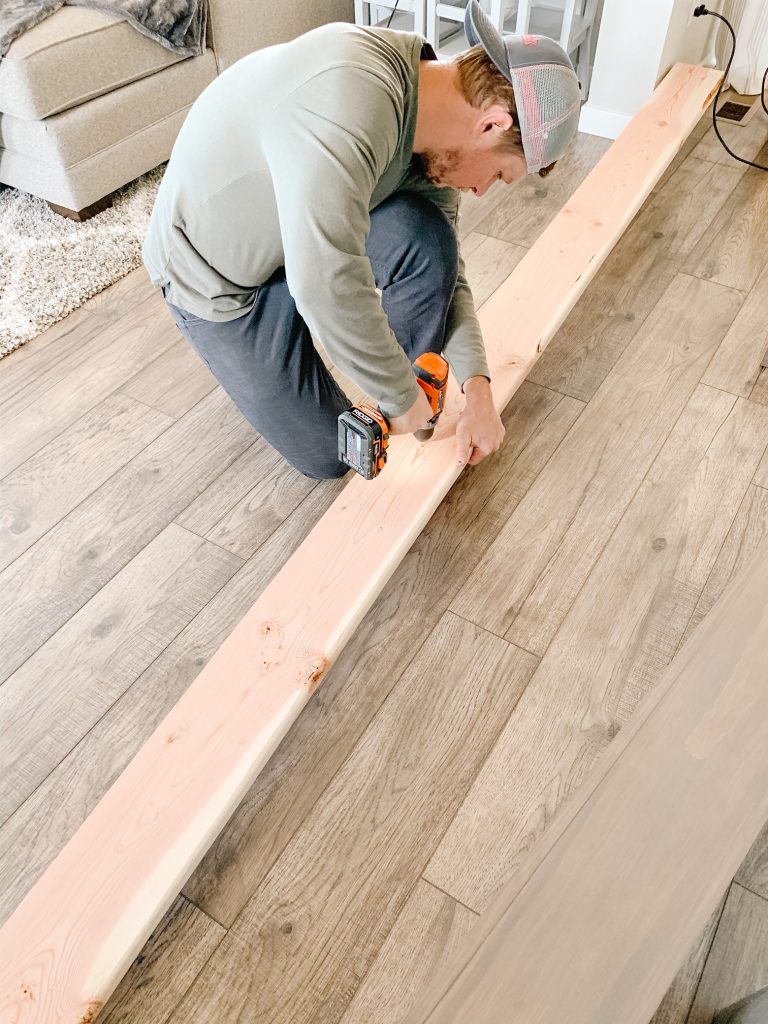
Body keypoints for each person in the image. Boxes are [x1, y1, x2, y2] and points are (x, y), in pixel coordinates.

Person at [142, 0, 581, 479]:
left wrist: (477, 388)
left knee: (429, 243)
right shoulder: (353, 97)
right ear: (492, 122)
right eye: (499, 173)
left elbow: (446, 273)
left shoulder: (433, 138)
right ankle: (404, 398)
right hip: (215, 275)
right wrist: (399, 393)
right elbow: (324, 284)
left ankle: (411, 403)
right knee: (330, 455)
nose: (481, 189)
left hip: (300, 239)